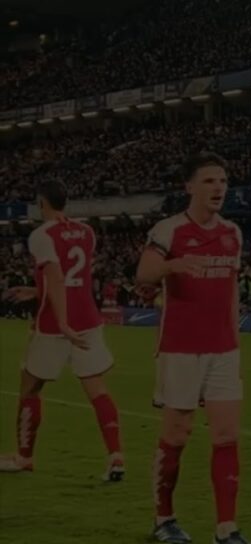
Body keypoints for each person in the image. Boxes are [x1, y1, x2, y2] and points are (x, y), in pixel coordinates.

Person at [136, 153, 251, 544]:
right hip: (181, 349)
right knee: (178, 434)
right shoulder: (169, 230)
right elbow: (144, 273)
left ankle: (226, 528)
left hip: (223, 349)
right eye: (208, 181)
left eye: (222, 181)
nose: (218, 187)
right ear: (189, 186)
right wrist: (174, 265)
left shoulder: (233, 233)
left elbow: (232, 288)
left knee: (226, 435)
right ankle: (163, 519)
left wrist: (235, 337)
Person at [0, 181, 124, 481]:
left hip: (55, 324)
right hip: (89, 320)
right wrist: (36, 290)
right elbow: (75, 278)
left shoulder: (42, 235)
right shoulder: (87, 232)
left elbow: (56, 278)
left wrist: (64, 323)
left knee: (30, 386)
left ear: (43, 202)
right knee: (97, 389)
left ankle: (24, 457)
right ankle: (116, 456)